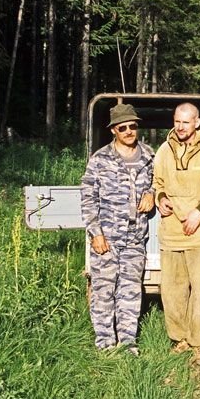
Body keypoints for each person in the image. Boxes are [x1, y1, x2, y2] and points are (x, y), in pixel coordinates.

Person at [153, 103, 200, 366]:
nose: (180, 127)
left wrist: (199, 212)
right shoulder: (164, 150)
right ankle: (179, 338)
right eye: (177, 121)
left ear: (197, 122)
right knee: (172, 290)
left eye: (186, 122)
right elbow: (158, 182)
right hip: (172, 231)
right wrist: (160, 197)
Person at [81, 103, 155, 356]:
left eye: (132, 126)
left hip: (135, 237)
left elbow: (160, 183)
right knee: (103, 291)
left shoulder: (149, 156)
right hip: (107, 237)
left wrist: (153, 194)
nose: (129, 131)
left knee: (130, 291)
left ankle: (127, 342)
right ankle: (104, 343)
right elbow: (88, 198)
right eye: (122, 127)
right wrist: (96, 233)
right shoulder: (100, 159)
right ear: (114, 130)